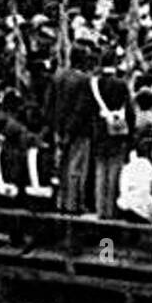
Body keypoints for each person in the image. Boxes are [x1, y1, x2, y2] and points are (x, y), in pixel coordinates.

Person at [43, 44, 96, 214]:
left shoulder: (57, 76)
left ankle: (61, 201)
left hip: (58, 127)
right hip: (77, 131)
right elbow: (80, 109)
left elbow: (48, 104)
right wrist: (69, 131)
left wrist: (55, 127)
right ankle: (73, 204)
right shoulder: (84, 80)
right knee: (76, 168)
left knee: (61, 166)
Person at [90, 51, 135, 220]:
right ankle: (111, 210)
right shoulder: (121, 84)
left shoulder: (94, 84)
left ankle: (100, 209)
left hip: (99, 131)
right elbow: (129, 111)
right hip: (117, 132)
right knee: (115, 171)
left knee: (100, 171)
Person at [117, 133, 152, 223]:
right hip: (141, 210)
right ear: (149, 152)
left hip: (124, 207)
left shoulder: (127, 167)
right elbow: (151, 192)